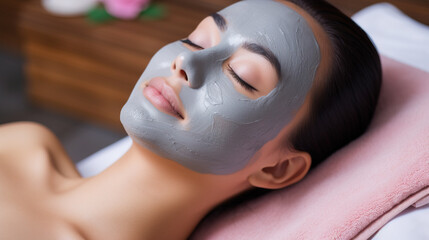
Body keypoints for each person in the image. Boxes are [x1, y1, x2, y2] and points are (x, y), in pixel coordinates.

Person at [0, 0, 381, 239]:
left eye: (242, 76)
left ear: (278, 169)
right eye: (197, 39)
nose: (187, 61)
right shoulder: (23, 147)